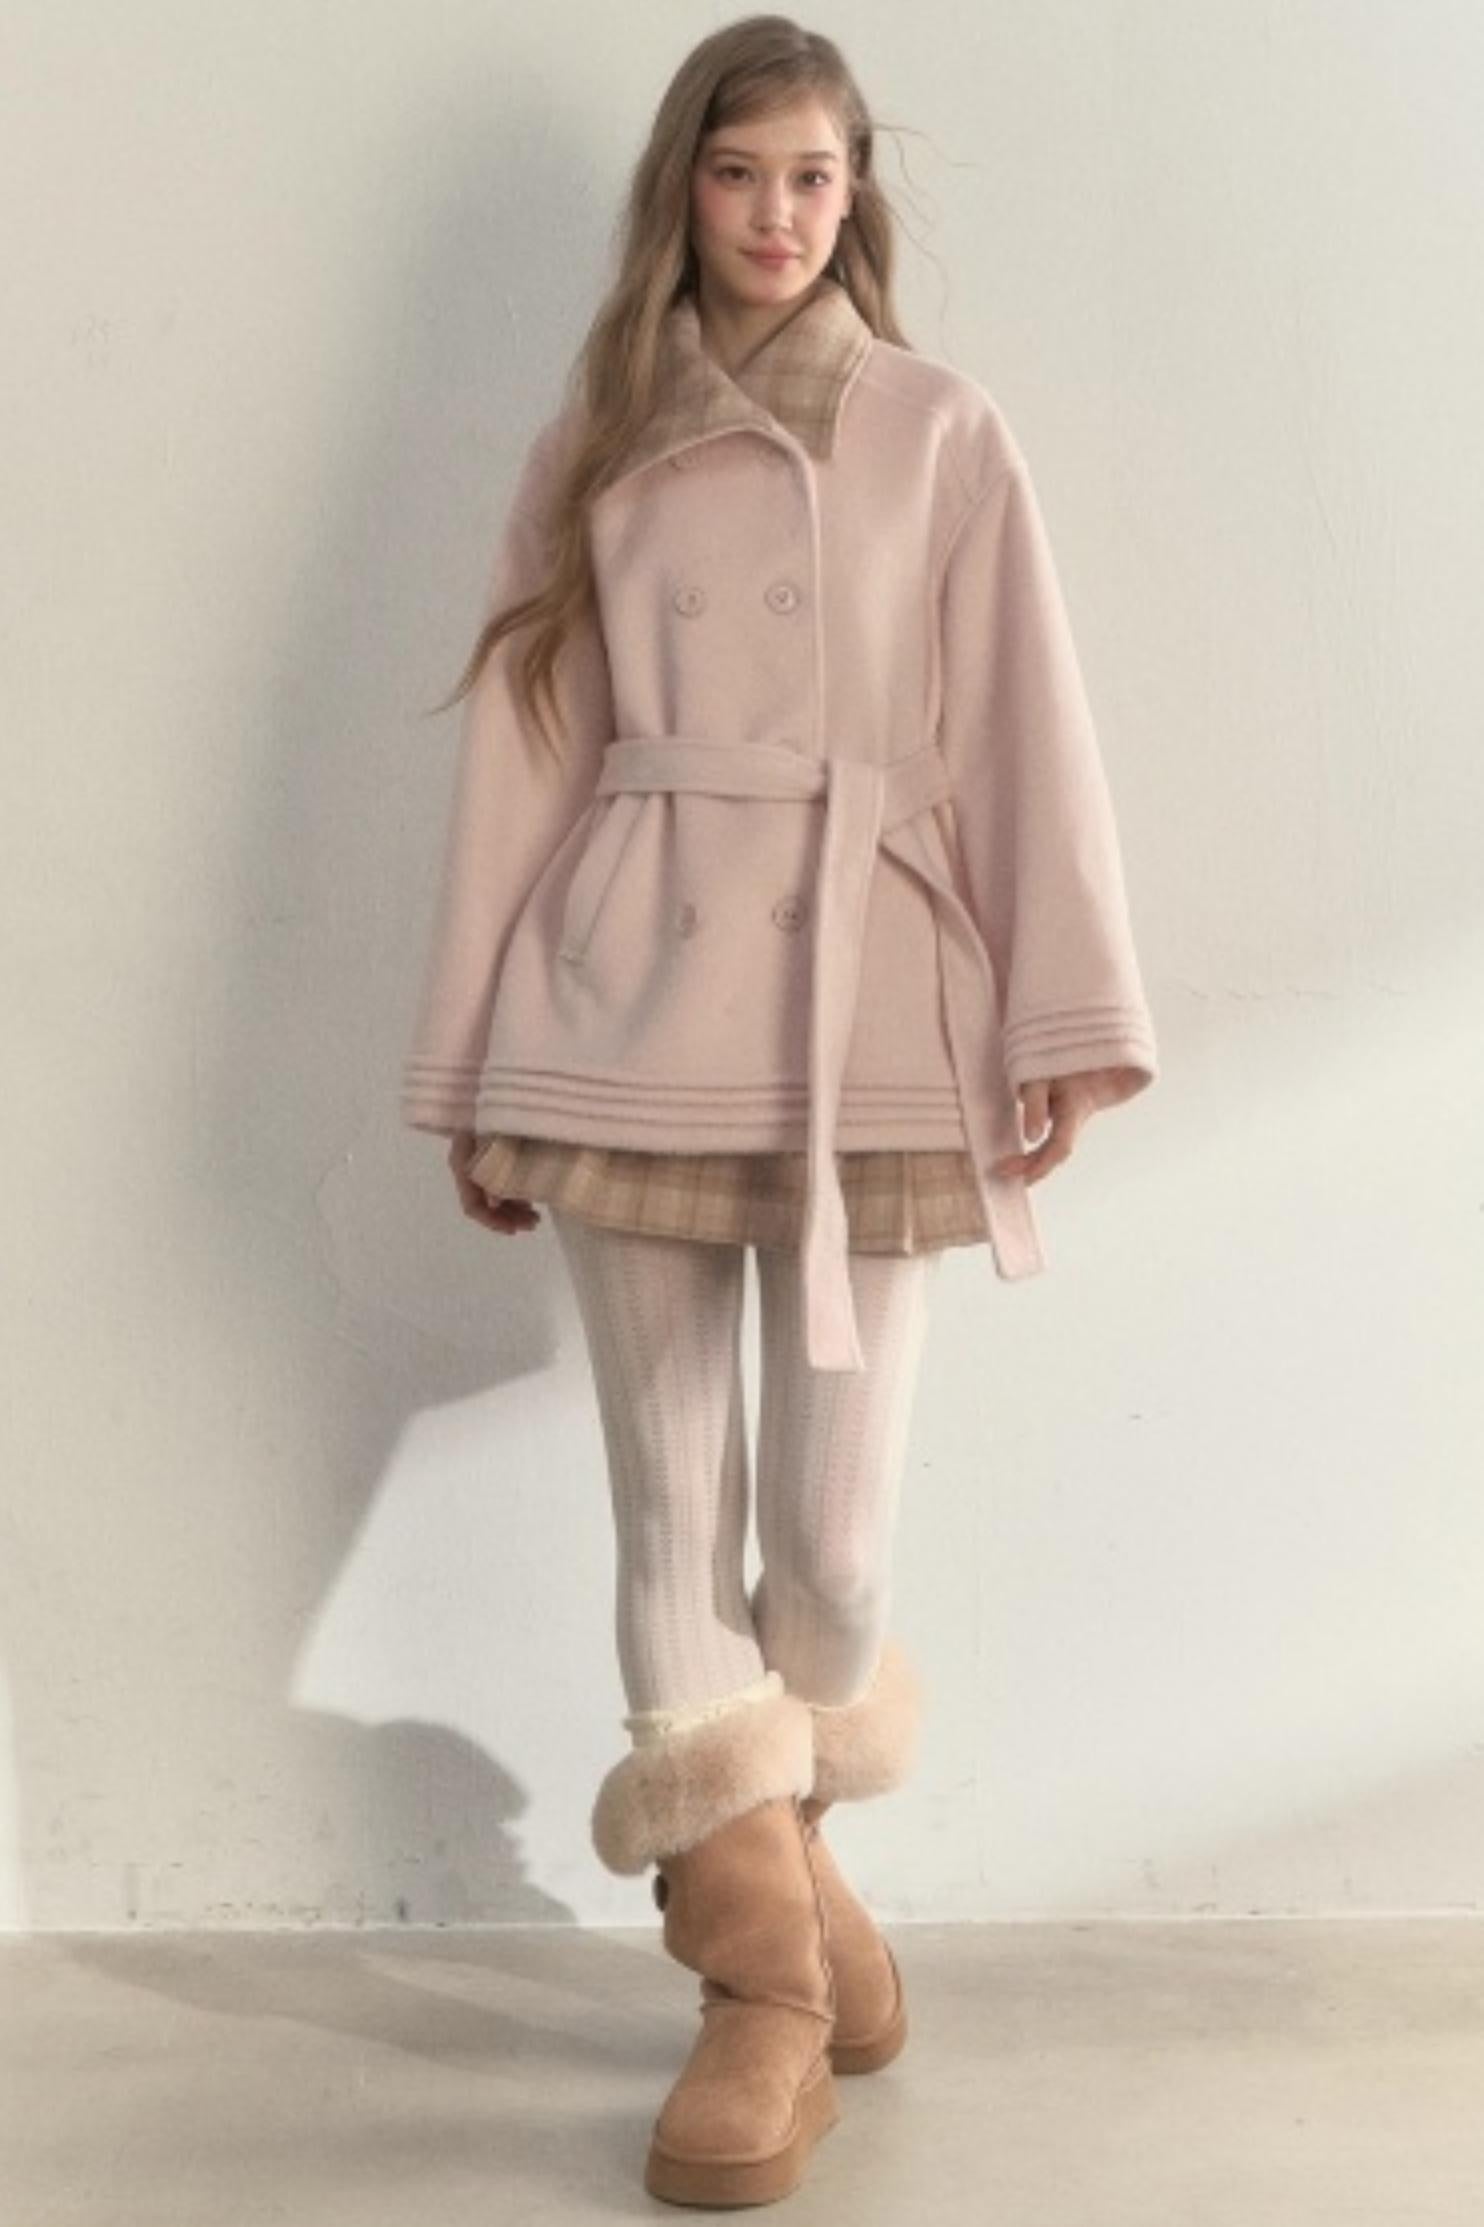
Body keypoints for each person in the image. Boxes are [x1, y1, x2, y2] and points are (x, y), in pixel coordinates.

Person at [401, 15, 1158, 2206]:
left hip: (869, 1002)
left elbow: (1025, 724)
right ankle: (766, 1998)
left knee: (828, 1551)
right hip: (620, 988)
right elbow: (525, 748)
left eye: (812, 177)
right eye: (737, 174)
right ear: (685, 190)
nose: (774, 215)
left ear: (855, 197)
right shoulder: (600, 436)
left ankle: (796, 1895)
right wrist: (470, 1063)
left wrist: (1058, 1018)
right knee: (670, 1518)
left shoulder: (938, 429)